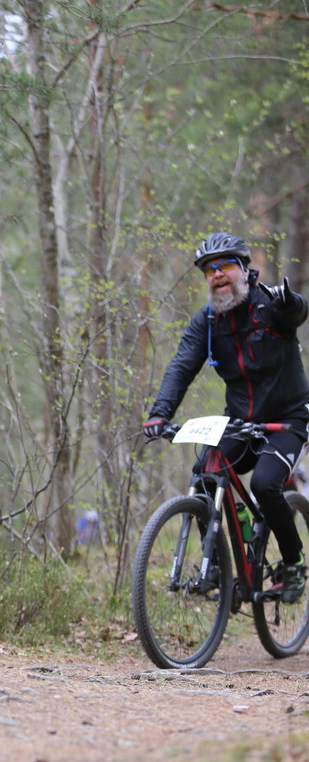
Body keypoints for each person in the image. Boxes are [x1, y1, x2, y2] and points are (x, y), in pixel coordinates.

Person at [143, 231, 309, 603]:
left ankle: (294, 561)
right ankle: (216, 564)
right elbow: (182, 367)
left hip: (287, 420)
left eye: (226, 266)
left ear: (244, 269)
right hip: (239, 421)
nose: (217, 274)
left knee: (265, 485)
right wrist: (159, 414)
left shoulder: (270, 306)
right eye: (210, 270)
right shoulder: (208, 322)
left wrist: (291, 302)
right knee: (204, 474)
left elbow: (297, 312)